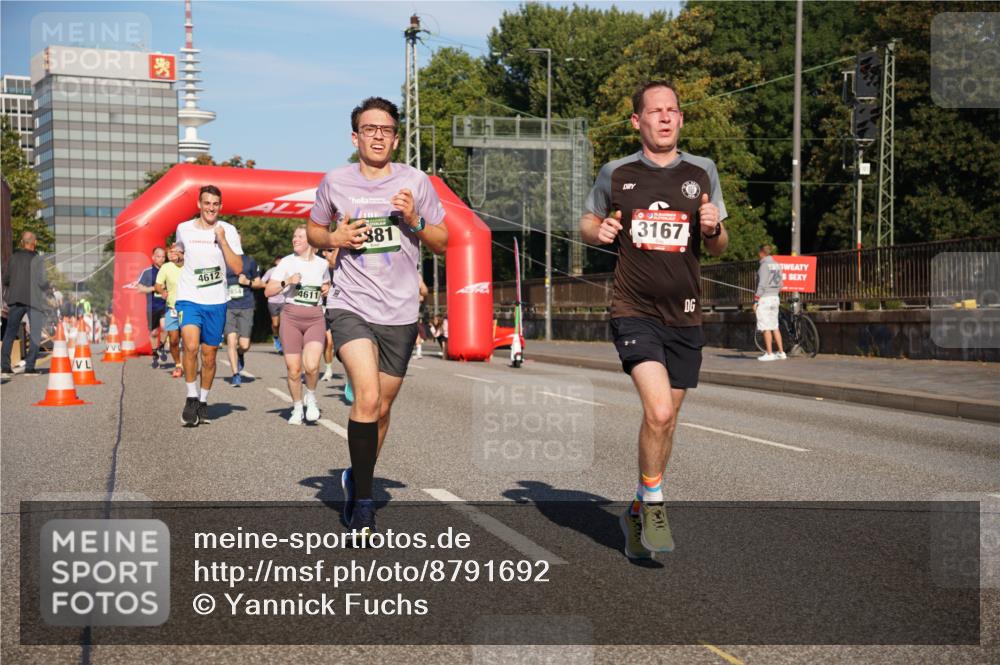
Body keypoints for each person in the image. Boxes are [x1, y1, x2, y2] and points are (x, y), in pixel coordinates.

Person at [579, 80, 728, 559]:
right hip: (634, 310)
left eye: (673, 111)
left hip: (685, 316)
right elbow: (586, 219)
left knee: (666, 421)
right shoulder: (617, 173)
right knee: (658, 411)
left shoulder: (702, 171)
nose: (665, 118)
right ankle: (656, 503)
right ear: (637, 122)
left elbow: (720, 243)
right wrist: (597, 230)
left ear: (681, 119)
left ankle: (636, 511)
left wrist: (714, 228)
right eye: (655, 111)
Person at [307, 96, 448, 537]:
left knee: (381, 408)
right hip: (351, 304)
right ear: (355, 137)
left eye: (385, 129)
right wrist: (335, 236)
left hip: (401, 311)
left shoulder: (416, 182)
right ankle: (365, 502)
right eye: (369, 129)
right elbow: (314, 230)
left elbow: (443, 241)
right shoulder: (336, 182)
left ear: (396, 137)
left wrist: (415, 219)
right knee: (365, 398)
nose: (378, 136)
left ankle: (355, 477)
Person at [174, 185, 244, 427]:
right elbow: (180, 252)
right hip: (189, 297)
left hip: (216, 300)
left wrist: (222, 241)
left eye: (215, 204)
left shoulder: (229, 231)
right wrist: (177, 257)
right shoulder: (183, 228)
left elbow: (237, 268)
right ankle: (191, 396)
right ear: (199, 204)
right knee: (190, 346)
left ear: (220, 206)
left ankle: (203, 400)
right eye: (207, 203)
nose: (211, 208)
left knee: (210, 356)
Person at [264, 226, 331, 424]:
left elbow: (325, 284)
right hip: (291, 318)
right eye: (294, 236)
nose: (295, 239)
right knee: (294, 370)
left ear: (311, 241)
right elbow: (268, 291)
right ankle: (297, 407)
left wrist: (326, 288)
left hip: (315, 318)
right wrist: (288, 281)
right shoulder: (287, 262)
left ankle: (310, 396)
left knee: (311, 367)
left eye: (300, 236)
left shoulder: (322, 264)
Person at [1, 231, 51, 376]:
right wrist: (48, 288)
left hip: (15, 299)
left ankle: (5, 367)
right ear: (34, 243)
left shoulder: (13, 257)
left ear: (23, 242)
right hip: (33, 300)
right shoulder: (37, 259)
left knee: (10, 332)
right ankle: (30, 367)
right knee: (35, 332)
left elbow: (6, 280)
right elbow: (42, 282)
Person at [224, 252, 263, 386]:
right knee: (231, 341)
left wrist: (247, 282)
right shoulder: (221, 260)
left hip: (246, 305)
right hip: (228, 306)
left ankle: (240, 354)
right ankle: (235, 374)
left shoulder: (249, 260)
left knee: (244, 345)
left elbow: (259, 283)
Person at [127, 247, 168, 368]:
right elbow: (139, 289)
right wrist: (154, 288)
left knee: (166, 327)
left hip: (165, 305)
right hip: (152, 307)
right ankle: (155, 353)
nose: (161, 259)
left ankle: (161, 347)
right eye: (159, 256)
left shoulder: (168, 270)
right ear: (153, 257)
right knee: (154, 332)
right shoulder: (147, 272)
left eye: (163, 257)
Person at [155, 243, 185, 377]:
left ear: (183, 253)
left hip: (188, 307)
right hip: (171, 307)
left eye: (175, 252)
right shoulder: (166, 267)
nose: (171, 254)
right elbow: (157, 285)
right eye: (170, 252)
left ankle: (189, 364)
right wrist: (162, 291)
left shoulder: (189, 264)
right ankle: (178, 364)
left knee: (189, 339)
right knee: (173, 340)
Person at [755, 243, 786, 361]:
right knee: (775, 326)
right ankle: (781, 352)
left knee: (765, 326)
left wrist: (756, 299)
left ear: (762, 253)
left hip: (765, 299)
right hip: (775, 297)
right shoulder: (777, 265)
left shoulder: (764, 265)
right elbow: (781, 284)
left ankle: (769, 353)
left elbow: (762, 284)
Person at [262, 257, 285, 353]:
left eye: (282, 260)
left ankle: (284, 345)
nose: (280, 262)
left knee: (284, 324)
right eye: (278, 260)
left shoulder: (287, 271)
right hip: (273, 301)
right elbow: (262, 282)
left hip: (284, 300)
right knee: (276, 324)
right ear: (275, 262)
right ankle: (276, 338)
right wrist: (271, 288)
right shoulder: (271, 271)